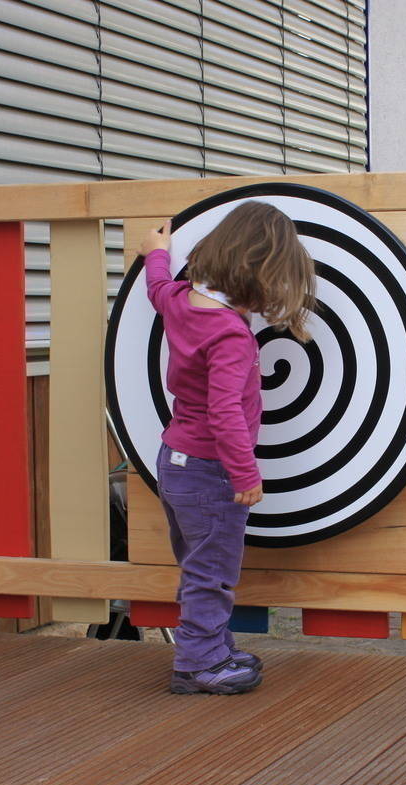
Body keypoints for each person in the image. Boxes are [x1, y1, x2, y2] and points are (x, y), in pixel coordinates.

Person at [140, 201, 315, 695]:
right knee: (211, 573)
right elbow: (225, 414)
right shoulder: (230, 335)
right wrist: (245, 474)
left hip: (175, 463)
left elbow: (156, 287)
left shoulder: (181, 301)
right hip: (209, 472)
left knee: (199, 566)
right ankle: (197, 665)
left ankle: (213, 647)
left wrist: (156, 253)